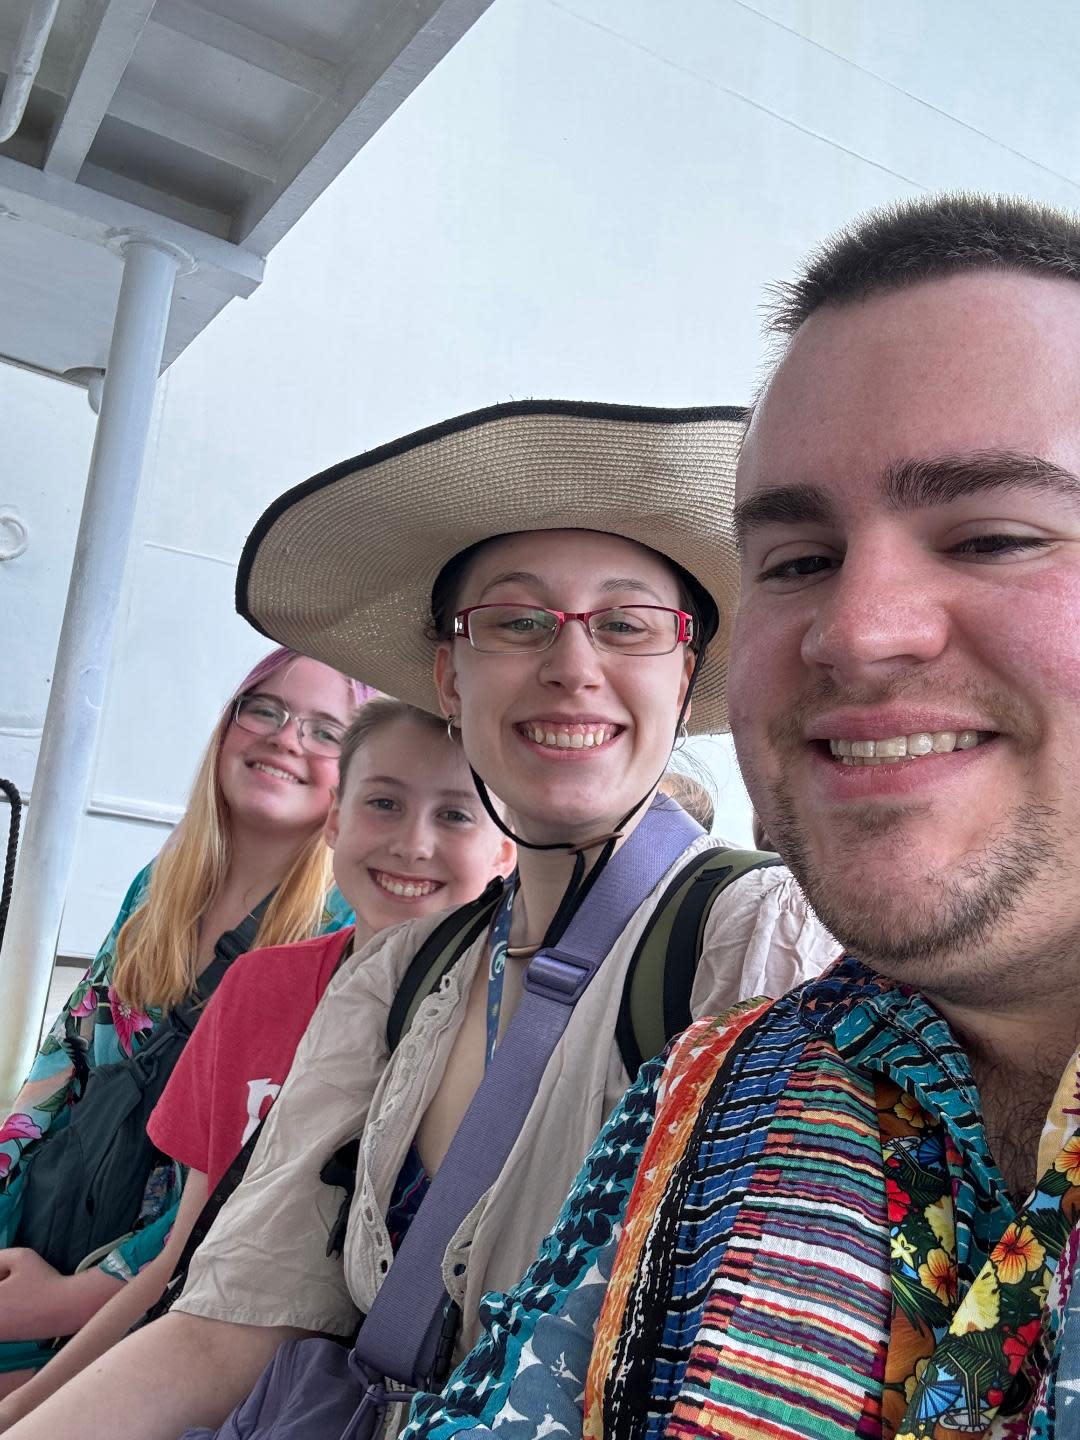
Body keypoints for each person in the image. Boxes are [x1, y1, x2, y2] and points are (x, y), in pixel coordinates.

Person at [4, 400, 838, 1440]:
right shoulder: (401, 971)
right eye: (516, 620)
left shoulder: (752, 937)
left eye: (624, 624)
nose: (572, 664)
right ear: (450, 674)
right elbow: (226, 1325)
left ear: (684, 670)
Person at [399, 193, 1080, 1440]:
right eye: (799, 561)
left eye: (991, 537)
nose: (859, 630)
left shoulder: (723, 942)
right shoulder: (708, 1092)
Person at [0, 697, 515, 1430]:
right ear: (335, 820)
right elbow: (176, 1263)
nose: (413, 843)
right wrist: (31, 1404)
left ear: (506, 850)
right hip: (196, 1369)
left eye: (456, 816)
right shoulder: (258, 986)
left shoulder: (509, 1027)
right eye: (383, 803)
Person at [0, 648, 367, 1394]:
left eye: (326, 731)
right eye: (264, 710)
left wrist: (65, 1300)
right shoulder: (157, 887)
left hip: (148, 1306)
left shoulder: (342, 937)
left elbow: (252, 1179)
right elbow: (60, 1066)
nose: (286, 738)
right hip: (46, 1222)